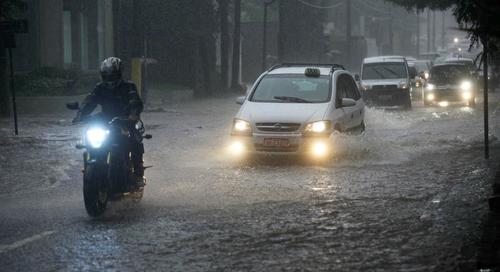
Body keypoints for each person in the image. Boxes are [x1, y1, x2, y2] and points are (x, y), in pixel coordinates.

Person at [73, 57, 145, 187]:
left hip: (125, 120)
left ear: (119, 74)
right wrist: (81, 114)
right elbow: (90, 101)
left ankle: (138, 174)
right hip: (105, 119)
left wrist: (133, 114)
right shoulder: (100, 87)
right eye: (106, 76)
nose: (109, 79)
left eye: (112, 76)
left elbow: (135, 101)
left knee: (135, 140)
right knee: (88, 142)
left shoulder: (128, 86)